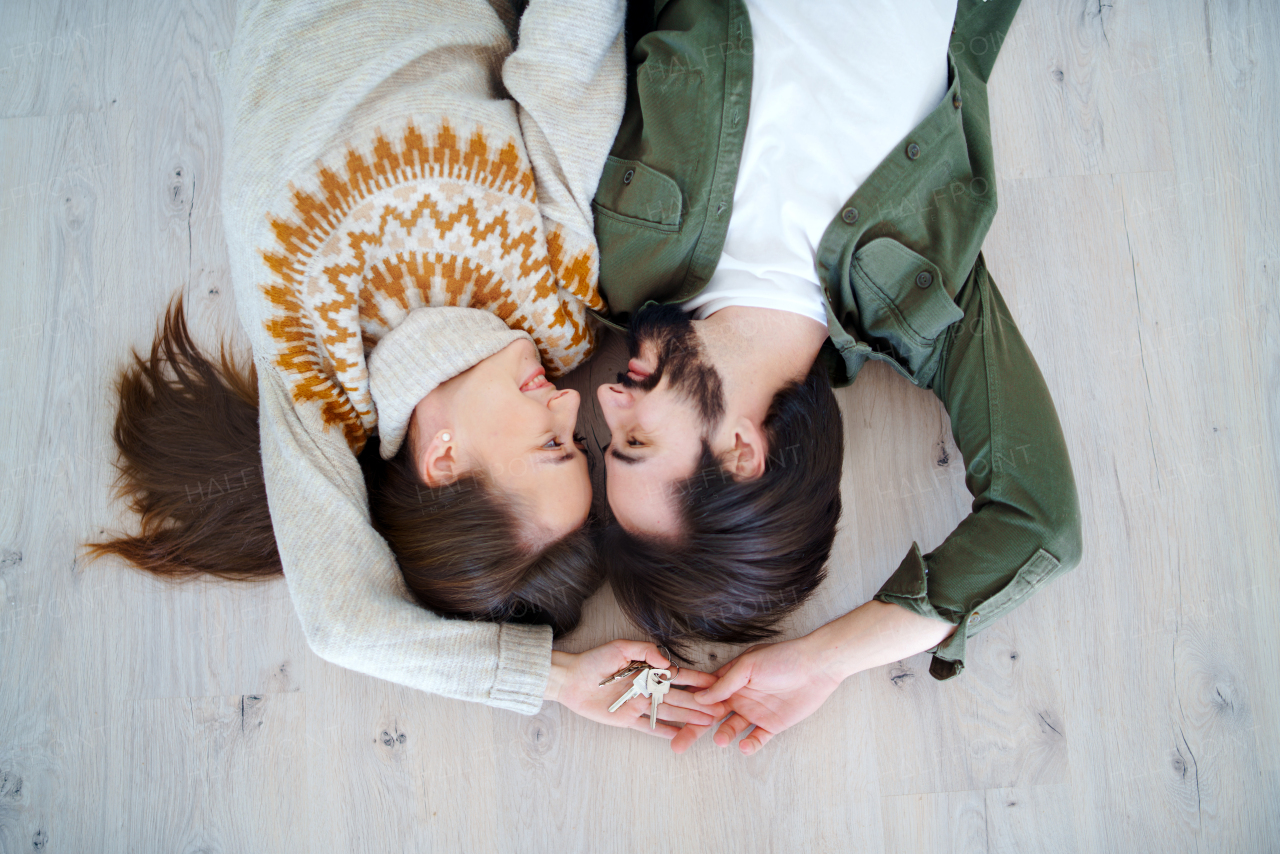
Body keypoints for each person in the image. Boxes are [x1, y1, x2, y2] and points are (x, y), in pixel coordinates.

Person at [89, 0, 724, 737]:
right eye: (576, 441)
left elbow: (340, 626)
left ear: (444, 459)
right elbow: (563, 74)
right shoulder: (555, 307)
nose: (565, 405)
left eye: (549, 444)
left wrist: (547, 677)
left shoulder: (314, 371)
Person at [589, 0, 1083, 753]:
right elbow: (1038, 523)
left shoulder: (611, 263)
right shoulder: (920, 300)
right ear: (742, 453)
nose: (605, 396)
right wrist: (826, 660)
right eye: (633, 439)